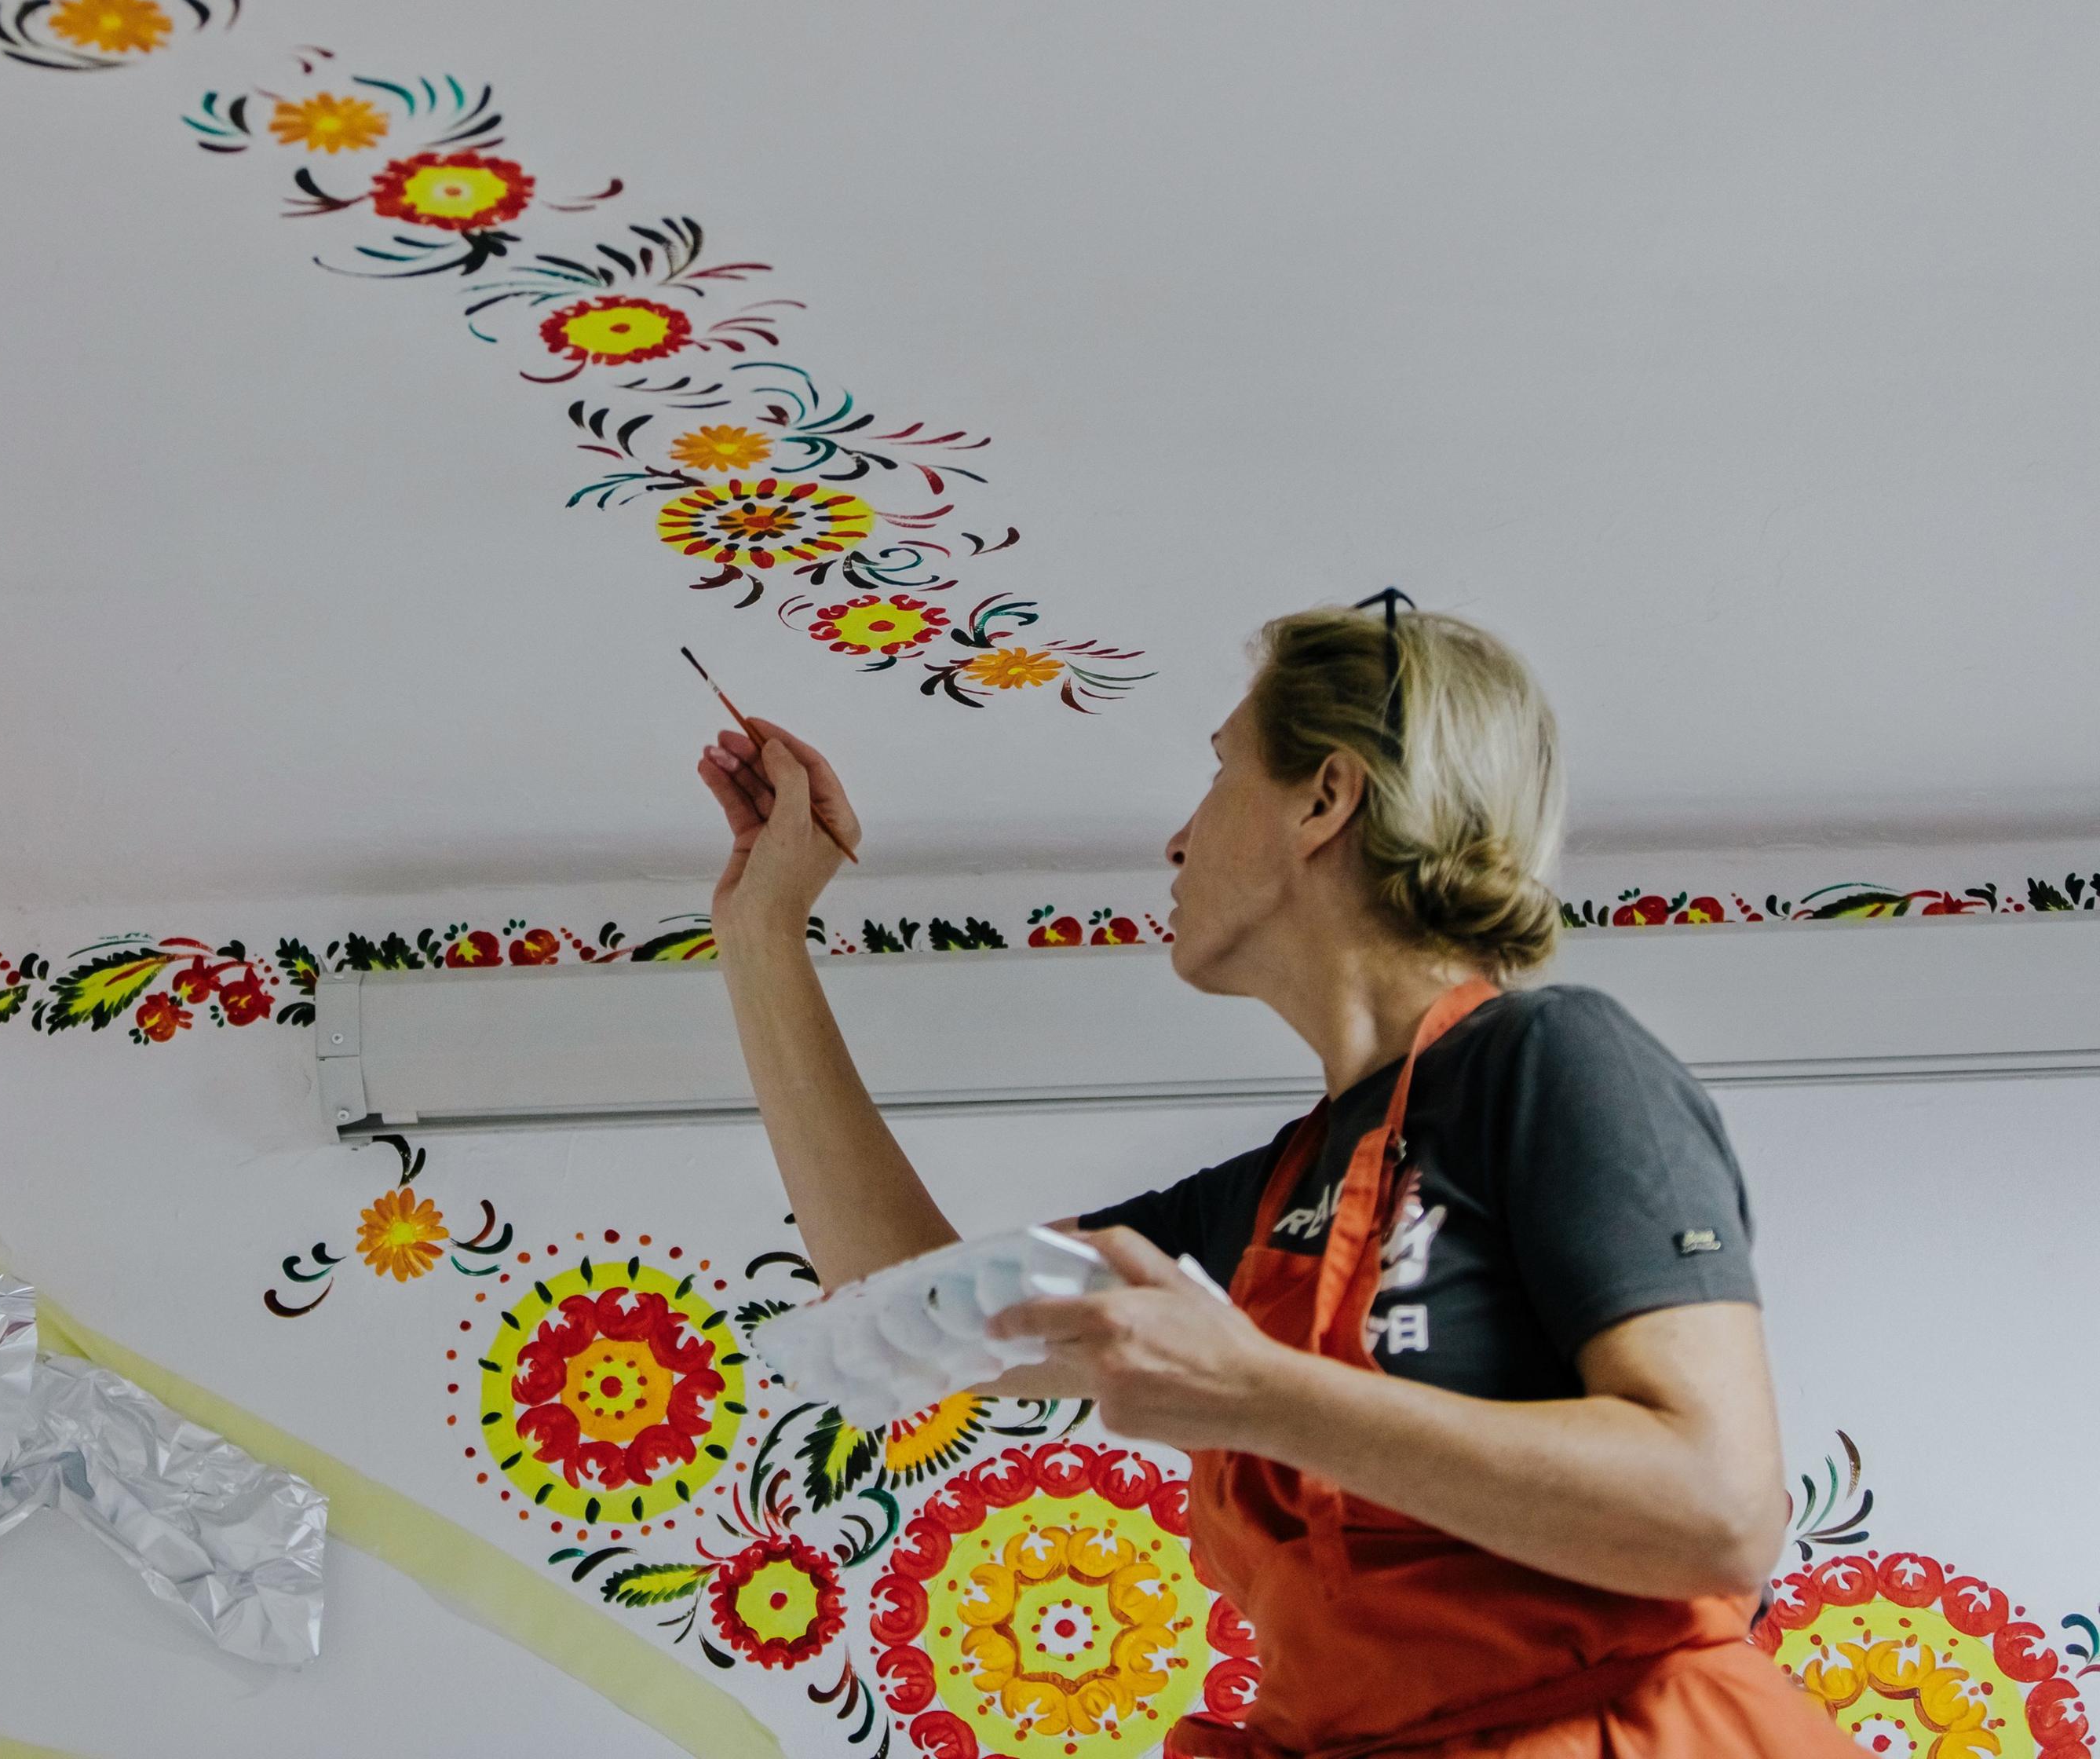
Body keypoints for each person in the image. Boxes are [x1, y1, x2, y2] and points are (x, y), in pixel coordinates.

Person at [694, 598, 1853, 1757]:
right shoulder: (1274, 1192)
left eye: (1216, 776)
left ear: (1324, 798)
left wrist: (1257, 1393)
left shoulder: (1551, 1067)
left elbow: (1716, 1512)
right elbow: (899, 1299)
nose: (1179, 840)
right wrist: (761, 935)